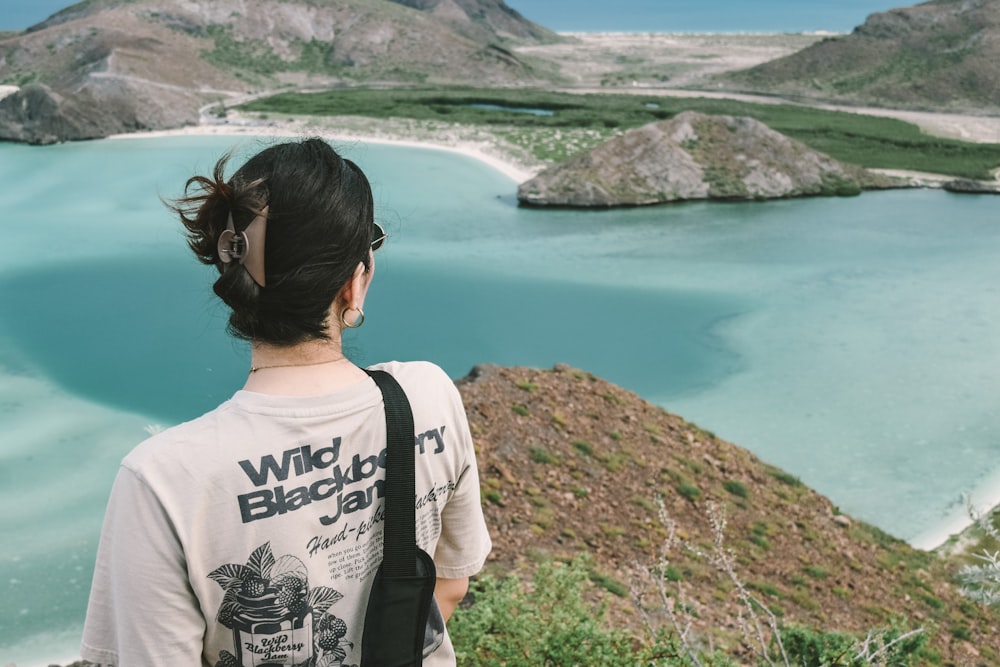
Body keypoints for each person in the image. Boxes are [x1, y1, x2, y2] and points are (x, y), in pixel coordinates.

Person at [80, 138, 492, 667]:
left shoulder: (163, 478)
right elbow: (449, 589)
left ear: (232, 275)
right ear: (354, 284)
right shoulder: (428, 396)